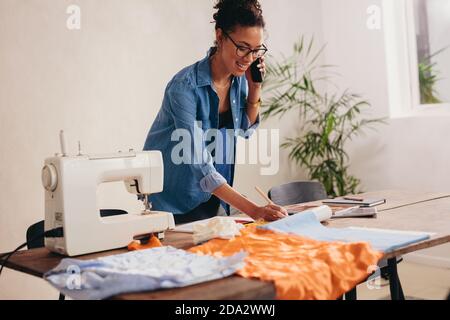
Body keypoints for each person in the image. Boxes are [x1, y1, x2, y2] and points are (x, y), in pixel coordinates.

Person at [144, 0, 287, 224]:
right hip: (174, 202)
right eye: (242, 47)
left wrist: (255, 87)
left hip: (213, 197)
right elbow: (200, 166)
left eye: (255, 50)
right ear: (220, 37)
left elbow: (245, 130)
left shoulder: (238, 79)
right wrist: (254, 210)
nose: (249, 59)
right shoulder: (184, 88)